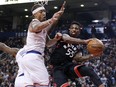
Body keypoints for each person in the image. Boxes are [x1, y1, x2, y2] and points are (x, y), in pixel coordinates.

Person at [20, 1, 66, 87]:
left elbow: (48, 43)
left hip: (31, 58)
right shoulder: (34, 22)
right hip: (33, 57)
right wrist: (51, 20)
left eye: (44, 11)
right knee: (45, 83)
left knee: (33, 84)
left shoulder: (43, 28)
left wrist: (56, 39)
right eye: (41, 12)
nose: (44, 13)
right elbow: (36, 27)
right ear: (34, 14)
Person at [47, 21, 105, 87]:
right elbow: (67, 39)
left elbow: (78, 59)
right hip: (57, 68)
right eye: (72, 28)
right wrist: (84, 41)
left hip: (68, 66)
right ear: (69, 29)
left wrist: (93, 55)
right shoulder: (65, 35)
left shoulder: (79, 46)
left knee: (89, 70)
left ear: (79, 31)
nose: (74, 29)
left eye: (76, 28)